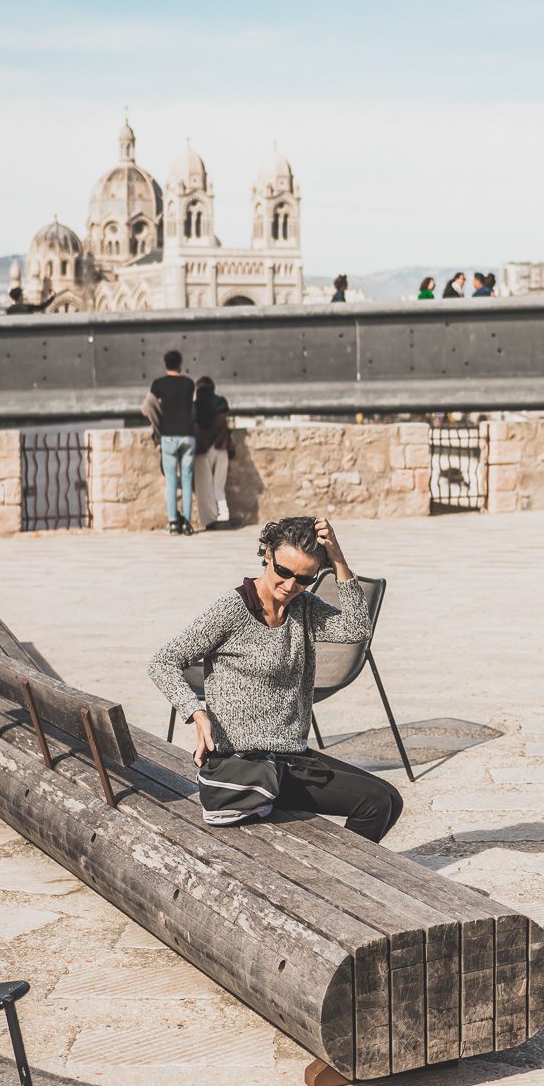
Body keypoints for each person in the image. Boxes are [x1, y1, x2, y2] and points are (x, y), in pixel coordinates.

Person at [148, 515, 403, 842]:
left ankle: (355, 873)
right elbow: (163, 661)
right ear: (266, 555)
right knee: (375, 801)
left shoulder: (304, 607)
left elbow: (357, 629)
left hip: (290, 754)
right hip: (250, 766)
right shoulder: (234, 609)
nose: (290, 585)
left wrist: (338, 558)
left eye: (304, 579)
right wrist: (196, 713)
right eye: (283, 571)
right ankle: (343, 878)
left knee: (391, 797)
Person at [141, 349, 196, 535]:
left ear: (165, 364)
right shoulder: (189, 384)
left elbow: (146, 407)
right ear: (180, 364)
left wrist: (158, 425)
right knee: (187, 481)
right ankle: (187, 522)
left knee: (172, 481)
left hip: (169, 436)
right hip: (188, 435)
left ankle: (173, 522)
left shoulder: (158, 384)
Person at [193, 376, 233, 531]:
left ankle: (210, 520)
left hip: (203, 450)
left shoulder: (196, 406)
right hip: (220, 447)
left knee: (204, 488)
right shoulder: (221, 403)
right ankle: (224, 515)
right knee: (219, 486)